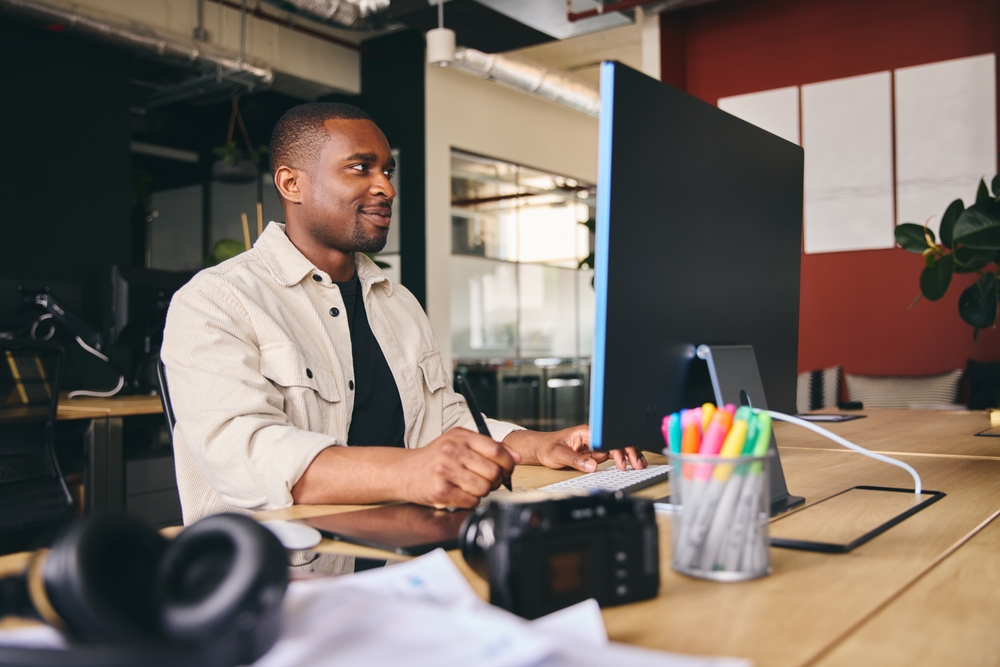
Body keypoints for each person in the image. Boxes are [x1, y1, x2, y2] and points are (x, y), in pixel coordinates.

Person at [161, 103, 645, 566]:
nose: (385, 188)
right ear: (291, 183)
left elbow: (443, 422)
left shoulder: (397, 302)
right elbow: (244, 455)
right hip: (282, 586)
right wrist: (411, 472)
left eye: (387, 172)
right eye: (360, 168)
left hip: (405, 562)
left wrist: (538, 445)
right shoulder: (215, 301)